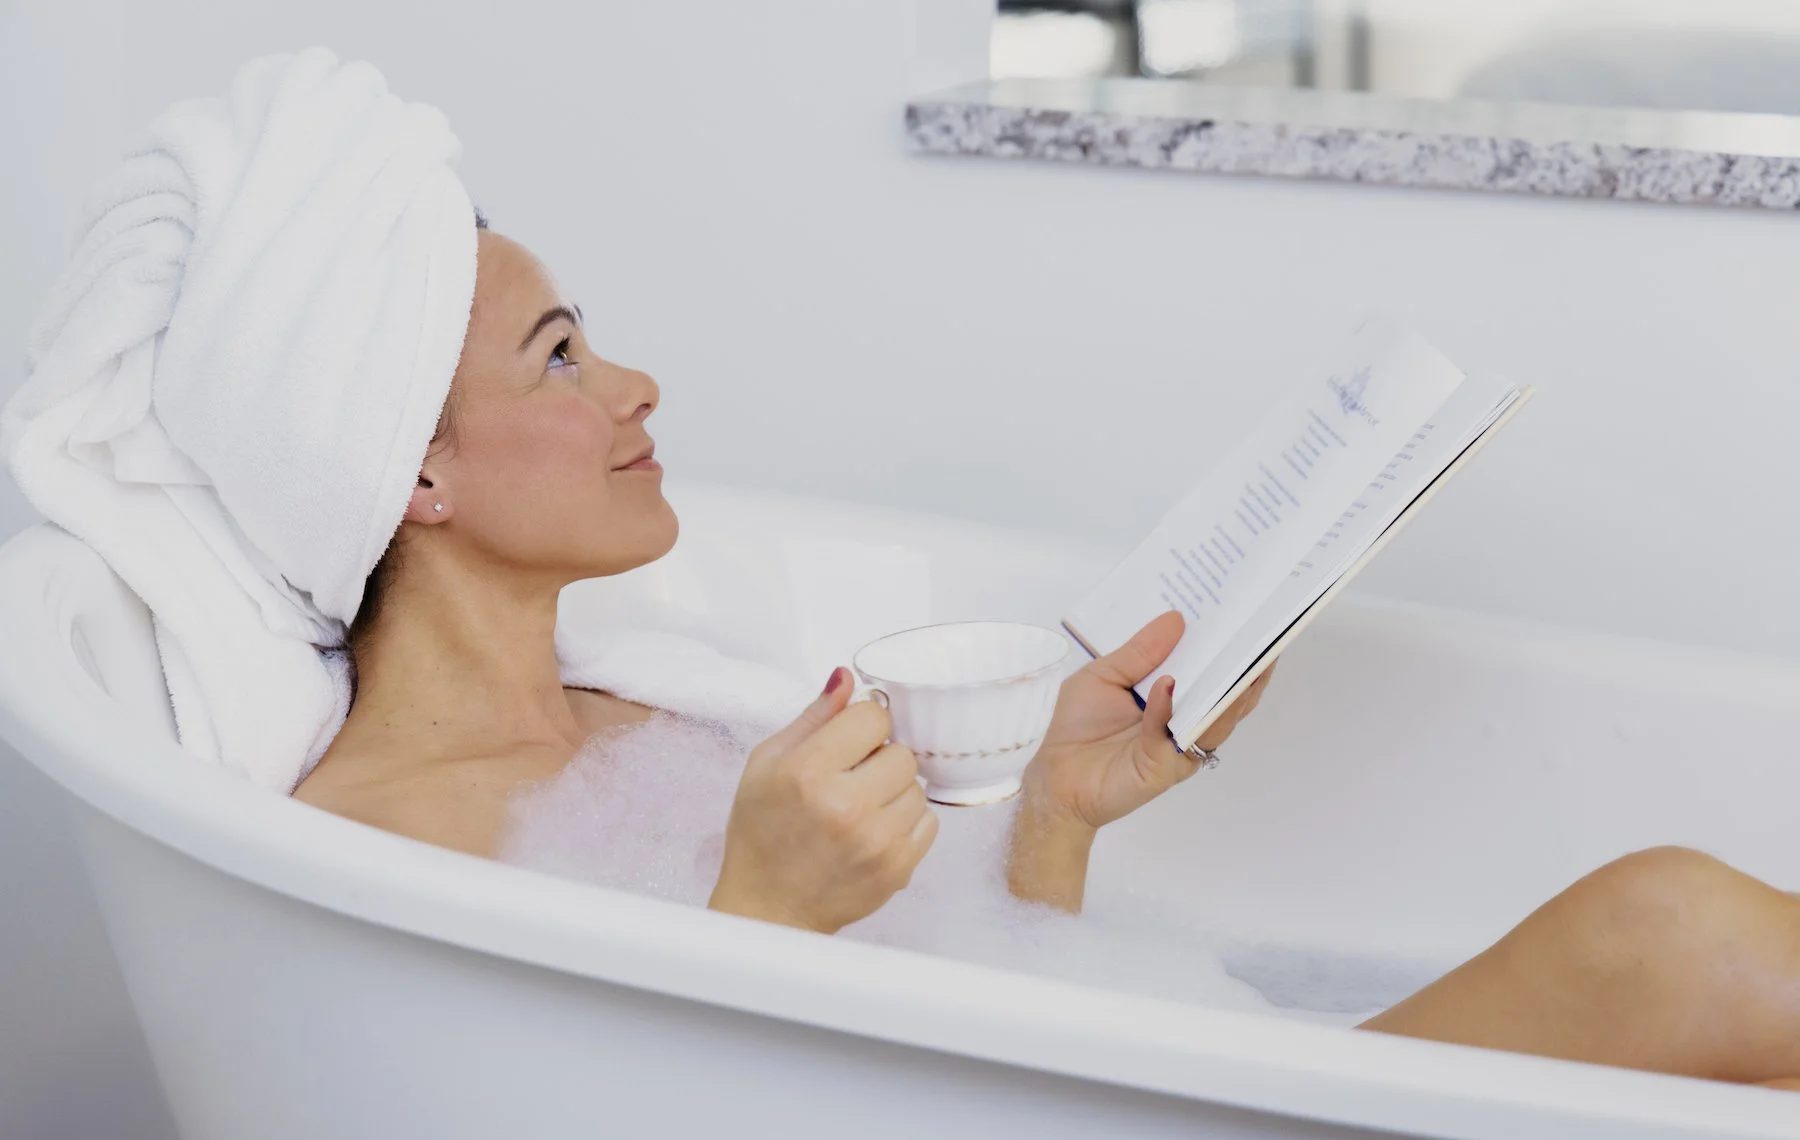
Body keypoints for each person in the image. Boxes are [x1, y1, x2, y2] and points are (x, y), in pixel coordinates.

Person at [298, 222, 1800, 1091]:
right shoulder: (361, 846)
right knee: (1664, 937)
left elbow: (986, 1052)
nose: (634, 385)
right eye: (560, 356)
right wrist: (758, 921)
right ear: (414, 469)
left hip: (1141, 1132)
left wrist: (1057, 814)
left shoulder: (651, 708)